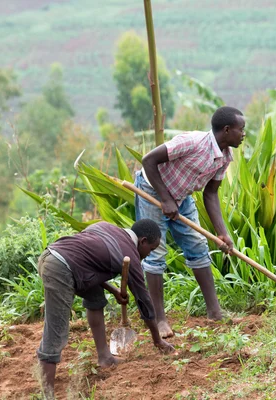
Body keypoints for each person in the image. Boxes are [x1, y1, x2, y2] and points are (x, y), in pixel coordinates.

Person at [136, 106, 246, 338]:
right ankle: (159, 319)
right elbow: (148, 161)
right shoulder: (193, 142)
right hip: (153, 191)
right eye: (241, 129)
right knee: (156, 253)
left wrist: (222, 233)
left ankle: (214, 311)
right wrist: (165, 199)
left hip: (181, 196)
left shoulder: (225, 156)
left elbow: (211, 194)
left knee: (198, 246)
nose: (243, 134)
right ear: (226, 130)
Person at [36, 219, 174, 399]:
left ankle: (105, 357)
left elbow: (86, 259)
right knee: (56, 331)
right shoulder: (130, 255)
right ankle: (47, 394)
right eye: (151, 250)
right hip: (60, 268)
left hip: (53, 256)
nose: (148, 255)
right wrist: (157, 340)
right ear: (143, 241)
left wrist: (114, 290)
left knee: (95, 297)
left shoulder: (105, 227)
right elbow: (144, 301)